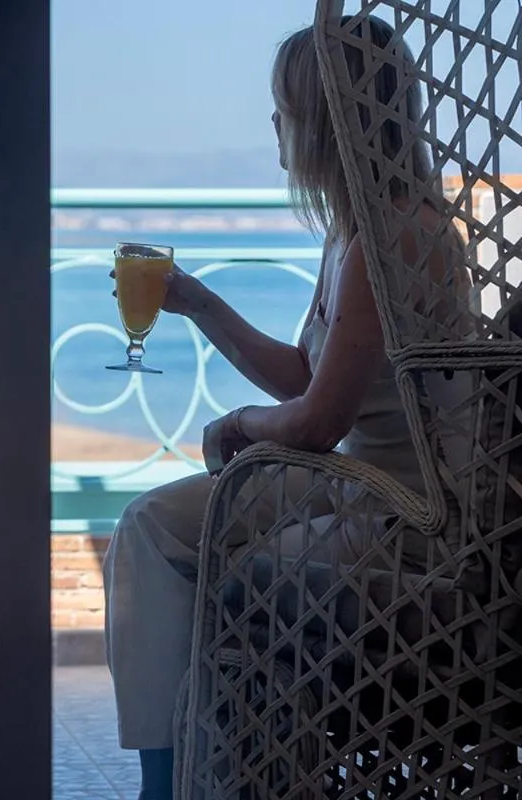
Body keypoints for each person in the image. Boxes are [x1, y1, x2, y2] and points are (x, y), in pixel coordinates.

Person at [102, 16, 473, 800]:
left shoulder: (393, 235)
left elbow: (315, 420)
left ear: (328, 121)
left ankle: (189, 779)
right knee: (154, 529)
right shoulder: (357, 226)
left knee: (170, 540)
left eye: (287, 110)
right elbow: (311, 374)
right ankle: (187, 773)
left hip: (409, 509)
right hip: (355, 480)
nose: (275, 126)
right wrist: (198, 303)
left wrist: (237, 427)